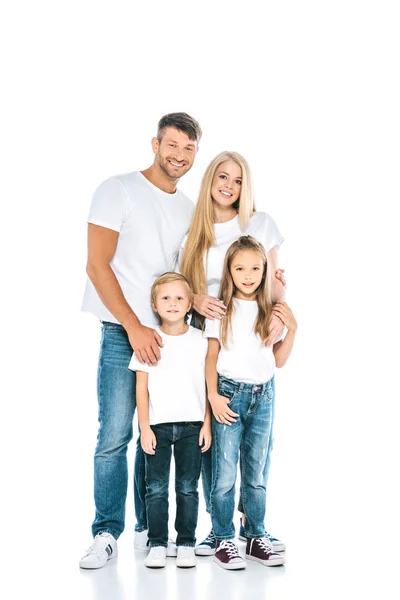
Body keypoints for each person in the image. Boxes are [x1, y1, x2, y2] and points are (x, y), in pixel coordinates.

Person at [79, 112, 202, 569]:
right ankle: (105, 531)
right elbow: (97, 265)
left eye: (189, 149)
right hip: (122, 331)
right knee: (114, 434)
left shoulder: (189, 209)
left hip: (169, 335)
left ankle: (146, 528)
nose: (180, 155)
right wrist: (133, 326)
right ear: (155, 143)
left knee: (156, 431)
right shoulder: (118, 190)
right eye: (173, 145)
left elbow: (195, 272)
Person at [179, 151, 287, 554]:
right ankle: (219, 529)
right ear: (209, 180)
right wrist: (194, 298)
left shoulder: (260, 224)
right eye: (222, 177)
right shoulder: (195, 232)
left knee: (256, 457)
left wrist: (281, 315)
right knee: (213, 443)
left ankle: (250, 527)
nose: (229, 185)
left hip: (252, 336)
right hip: (208, 336)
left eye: (238, 180)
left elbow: (275, 280)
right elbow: (180, 284)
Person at [204, 236, 297, 569]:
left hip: (264, 396)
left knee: (256, 472)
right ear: (229, 270)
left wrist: (293, 328)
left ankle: (255, 533)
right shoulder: (221, 308)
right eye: (240, 267)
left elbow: (278, 361)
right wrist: (213, 395)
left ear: (266, 270)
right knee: (225, 474)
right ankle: (223, 536)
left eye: (256, 268)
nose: (248, 274)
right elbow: (211, 356)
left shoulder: (269, 310)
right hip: (229, 395)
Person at [128, 273, 211, 569]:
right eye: (165, 298)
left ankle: (186, 542)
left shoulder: (201, 341)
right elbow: (141, 387)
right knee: (156, 488)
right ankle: (158, 543)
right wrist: (145, 427)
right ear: (154, 304)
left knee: (188, 487)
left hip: (191, 426)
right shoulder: (148, 340)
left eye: (179, 298)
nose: (172, 303)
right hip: (158, 427)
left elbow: (207, 383)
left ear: (190, 304)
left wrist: (207, 424)